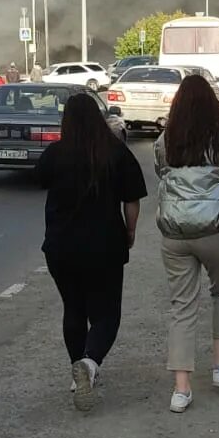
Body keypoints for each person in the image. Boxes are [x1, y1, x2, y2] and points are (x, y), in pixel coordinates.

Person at [154, 76, 219, 414]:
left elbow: (161, 170)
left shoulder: (166, 139)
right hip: (215, 229)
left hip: (175, 233)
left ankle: (181, 390)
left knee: (181, 306)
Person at [36, 92, 147, 411]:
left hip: (60, 247)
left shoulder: (55, 154)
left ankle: (77, 371)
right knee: (106, 314)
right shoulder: (115, 152)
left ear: (66, 122)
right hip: (104, 245)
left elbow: (39, 180)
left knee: (73, 309)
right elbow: (132, 199)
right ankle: (89, 364)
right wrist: (130, 231)